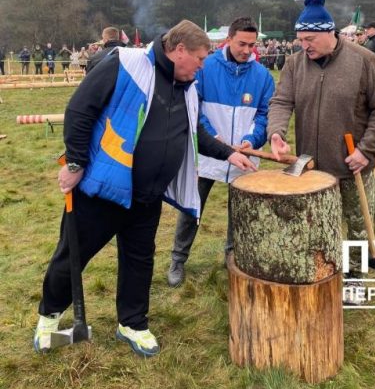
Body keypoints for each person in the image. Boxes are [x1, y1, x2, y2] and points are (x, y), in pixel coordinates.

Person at [33, 20, 256, 357]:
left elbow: (194, 133)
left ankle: (132, 323)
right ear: (179, 50)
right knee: (73, 254)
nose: (201, 66)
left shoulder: (187, 86)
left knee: (140, 260)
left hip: (148, 194)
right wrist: (76, 163)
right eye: (198, 58)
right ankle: (49, 319)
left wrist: (229, 153)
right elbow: (79, 110)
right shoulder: (125, 63)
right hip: (103, 189)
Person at [267, 0, 375, 302]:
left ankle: (354, 277)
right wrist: (276, 131)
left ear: (329, 33)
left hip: (352, 163)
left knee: (355, 224)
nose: (304, 45)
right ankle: (317, 268)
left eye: (310, 38)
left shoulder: (364, 61)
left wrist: (366, 150)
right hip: (310, 164)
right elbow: (282, 100)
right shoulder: (295, 63)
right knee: (311, 220)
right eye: (300, 39)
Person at [167, 17, 275, 288]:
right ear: (229, 39)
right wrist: (211, 137)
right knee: (192, 206)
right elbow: (193, 104)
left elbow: (265, 114)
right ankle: (178, 258)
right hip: (207, 153)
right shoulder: (206, 66)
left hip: (243, 156)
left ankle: (232, 254)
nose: (247, 49)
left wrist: (253, 139)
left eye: (252, 44)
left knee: (238, 210)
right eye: (242, 43)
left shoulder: (262, 76)